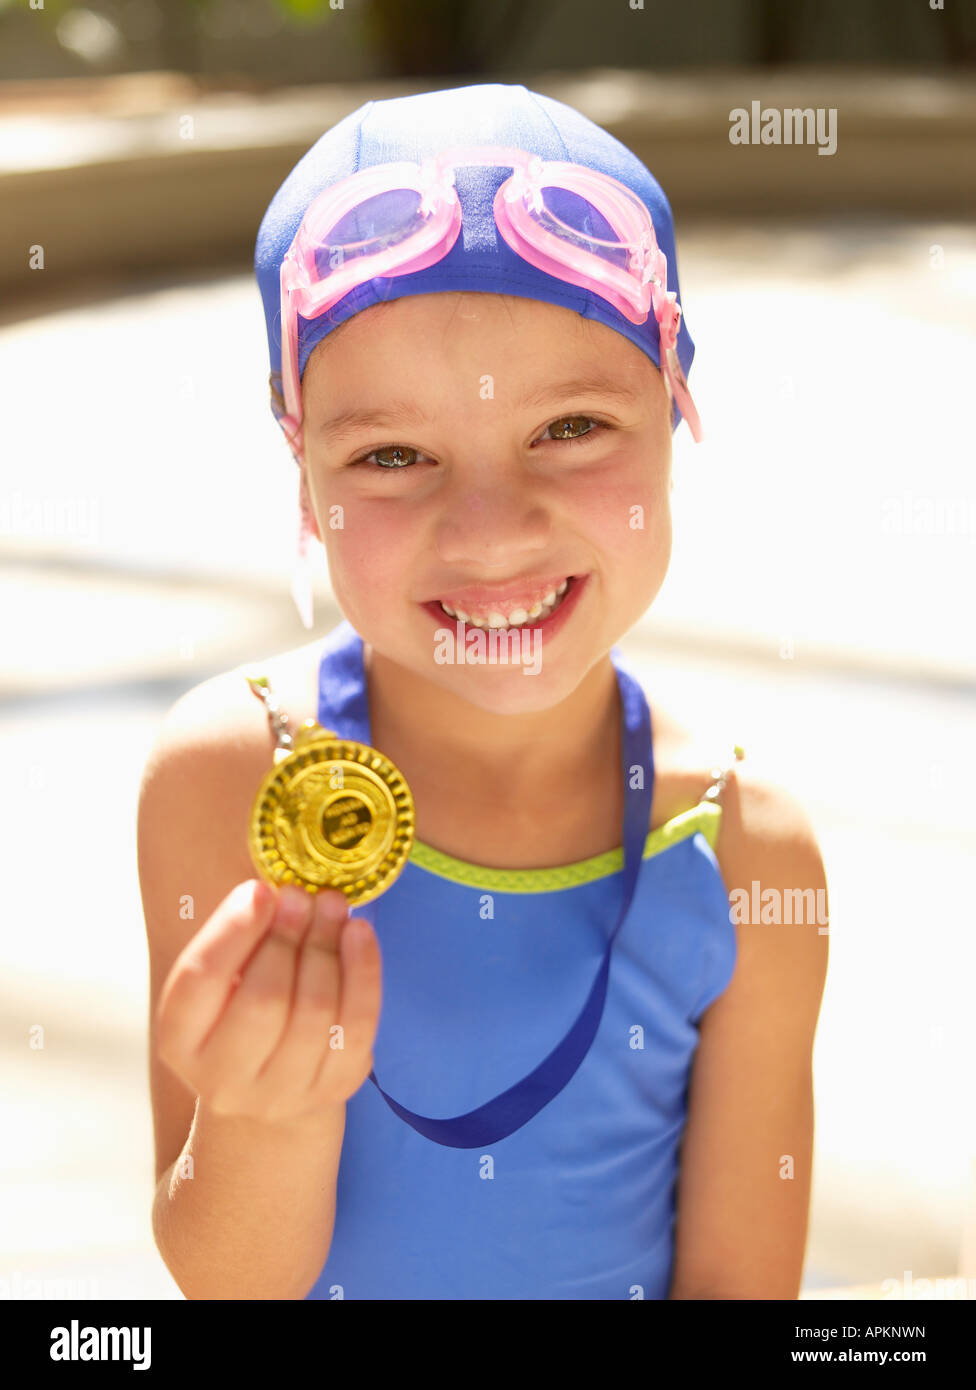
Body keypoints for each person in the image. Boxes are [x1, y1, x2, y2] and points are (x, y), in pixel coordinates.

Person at [138, 83, 829, 1300]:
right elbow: (228, 1286)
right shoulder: (236, 777)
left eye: (571, 426)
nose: (492, 531)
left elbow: (741, 1286)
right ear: (304, 480)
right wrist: (259, 1118)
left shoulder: (743, 853)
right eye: (392, 456)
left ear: (678, 414)